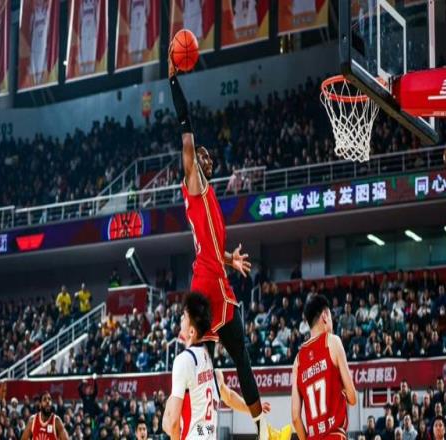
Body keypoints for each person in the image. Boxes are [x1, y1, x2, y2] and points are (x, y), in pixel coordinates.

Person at [168, 49, 279, 439]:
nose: (205, 157)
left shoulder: (210, 197)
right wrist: (173, 81)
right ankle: (189, 423)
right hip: (206, 285)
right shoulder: (193, 183)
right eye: (200, 155)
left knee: (231, 359)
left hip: (215, 277)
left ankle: (261, 428)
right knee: (205, 361)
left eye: (208, 157)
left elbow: (210, 245)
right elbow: (187, 129)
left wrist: (230, 259)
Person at [162, 292, 288, 440]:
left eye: (184, 317)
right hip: (207, 434)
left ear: (191, 331)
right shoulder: (212, 367)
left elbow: (173, 424)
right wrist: (253, 410)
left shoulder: (183, 360)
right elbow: (228, 397)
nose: (181, 320)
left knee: (168, 413)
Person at [291, 294, 357, 440]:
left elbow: (295, 417)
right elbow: (352, 398)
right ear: (325, 316)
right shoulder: (332, 341)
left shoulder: (297, 361)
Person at [29, 0, 49, 84]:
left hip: (43, 47)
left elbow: (48, 30)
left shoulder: (47, 13)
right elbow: (30, 32)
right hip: (34, 48)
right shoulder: (33, 15)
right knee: (34, 78)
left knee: (41, 77)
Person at [79, 0, 97, 74]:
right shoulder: (81, 5)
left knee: (92, 55)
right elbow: (79, 20)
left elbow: (97, 16)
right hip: (84, 33)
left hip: (92, 33)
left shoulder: (95, 3)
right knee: (85, 56)